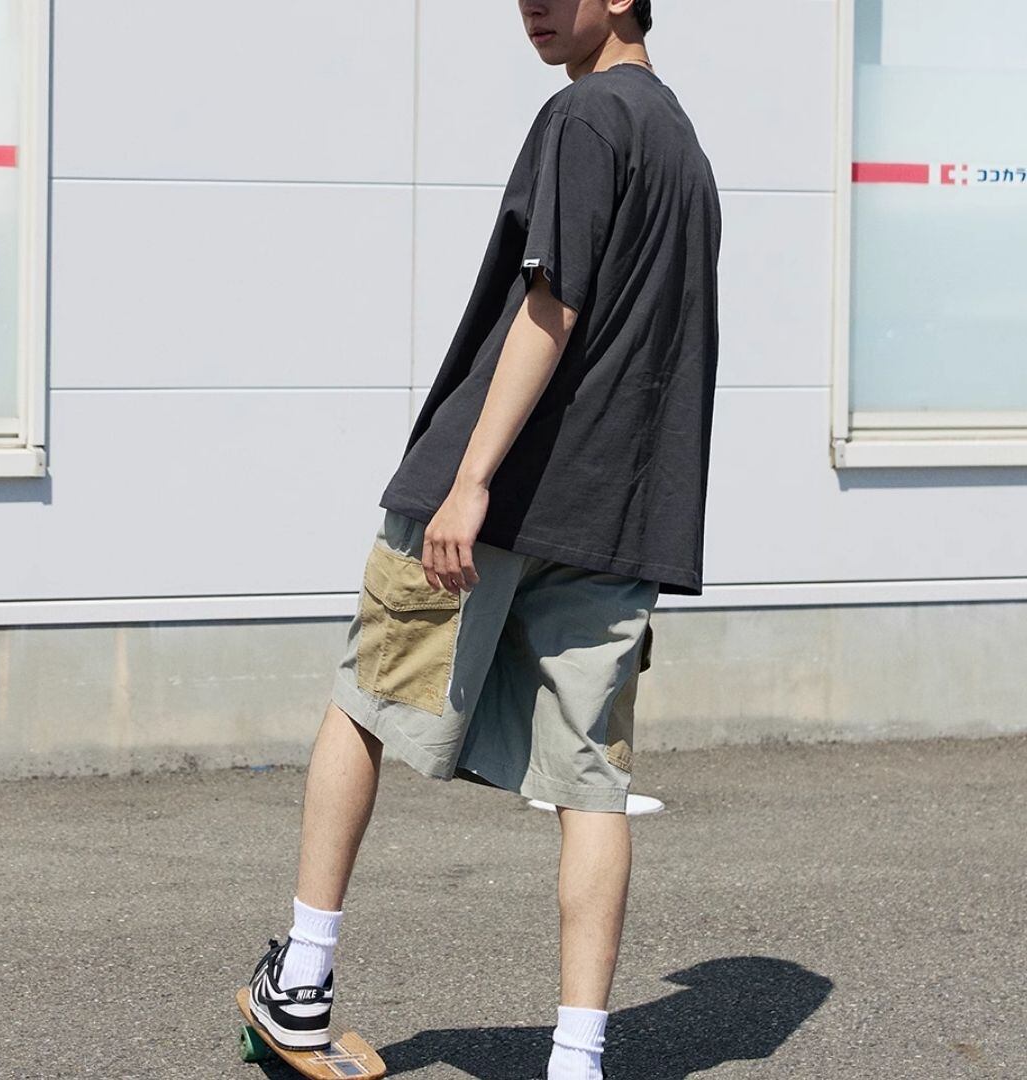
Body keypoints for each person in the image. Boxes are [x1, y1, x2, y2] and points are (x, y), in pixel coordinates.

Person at [246, 1, 721, 1077]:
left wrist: (469, 483)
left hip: (494, 498)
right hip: (613, 521)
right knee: (591, 783)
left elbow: (551, 307)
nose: (530, 4)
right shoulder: (685, 148)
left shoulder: (588, 117)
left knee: (364, 703)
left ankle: (303, 983)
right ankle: (577, 1057)